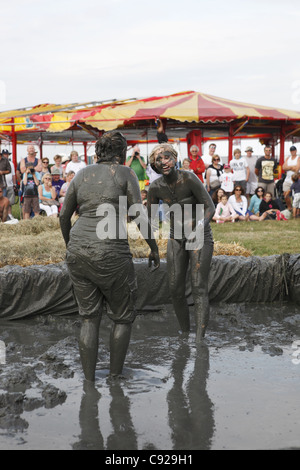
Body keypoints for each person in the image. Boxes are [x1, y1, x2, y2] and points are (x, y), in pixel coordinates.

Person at [59, 130, 160, 381]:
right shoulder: (126, 173)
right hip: (112, 252)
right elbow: (138, 214)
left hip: (79, 249)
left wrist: (71, 244)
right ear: (122, 154)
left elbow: (63, 216)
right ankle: (115, 378)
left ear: (97, 153)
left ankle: (89, 382)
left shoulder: (82, 174)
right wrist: (154, 247)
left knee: (89, 319)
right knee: (123, 317)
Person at [147, 142, 215, 342]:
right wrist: (152, 249)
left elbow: (210, 207)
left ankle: (200, 339)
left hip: (199, 235)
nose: (163, 162)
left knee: (198, 286)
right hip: (176, 237)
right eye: (158, 160)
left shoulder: (189, 178)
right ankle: (185, 333)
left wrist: (200, 228)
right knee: (175, 289)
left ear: (175, 158)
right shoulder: (155, 188)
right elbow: (149, 221)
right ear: (155, 166)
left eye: (166, 157)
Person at [282, 146, 300, 211]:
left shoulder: (298, 158)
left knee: (296, 196)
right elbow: (283, 167)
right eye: (292, 151)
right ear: (290, 151)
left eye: (294, 150)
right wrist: (293, 167)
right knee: (285, 195)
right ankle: (290, 208)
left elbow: (297, 169)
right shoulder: (287, 158)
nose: (293, 152)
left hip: (296, 180)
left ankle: (297, 210)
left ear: (296, 151)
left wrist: (288, 167)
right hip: (287, 179)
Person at [2, 149, 17, 219]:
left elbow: (13, 175)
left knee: (10, 202)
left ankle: (9, 214)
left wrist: (14, 184)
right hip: (2, 185)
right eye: (4, 154)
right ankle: (3, 215)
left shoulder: (11, 163)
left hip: (10, 184)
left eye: (7, 154)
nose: (6, 155)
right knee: (2, 201)